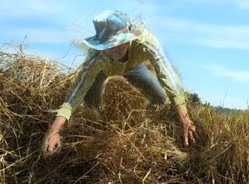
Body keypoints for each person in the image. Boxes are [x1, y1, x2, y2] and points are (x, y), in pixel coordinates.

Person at [43, 10, 197, 154]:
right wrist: (54, 131)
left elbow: (168, 76)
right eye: (111, 45)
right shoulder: (96, 57)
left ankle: (150, 126)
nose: (117, 48)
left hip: (134, 67)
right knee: (91, 105)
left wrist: (185, 119)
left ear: (130, 38)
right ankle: (96, 132)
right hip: (104, 70)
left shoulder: (146, 42)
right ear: (102, 45)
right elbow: (77, 91)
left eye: (121, 42)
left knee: (161, 99)